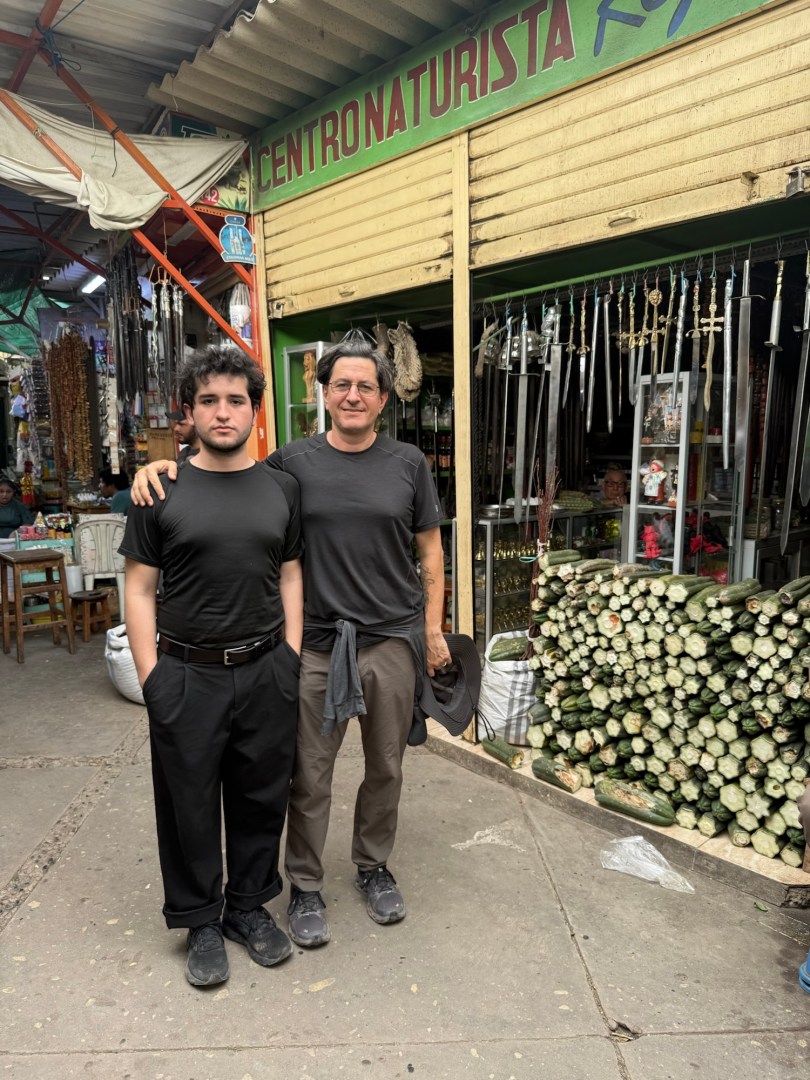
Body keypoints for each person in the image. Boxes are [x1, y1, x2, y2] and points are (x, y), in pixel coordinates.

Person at [131, 339, 451, 950]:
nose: (352, 396)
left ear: (383, 399)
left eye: (365, 386)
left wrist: (432, 630)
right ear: (323, 394)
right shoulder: (290, 464)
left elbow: (430, 553)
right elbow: (225, 473)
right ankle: (304, 884)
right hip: (318, 646)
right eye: (341, 385)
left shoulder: (408, 462)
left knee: (386, 765)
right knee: (307, 774)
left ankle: (373, 865)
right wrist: (159, 466)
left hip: (390, 639)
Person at [121, 345, 303, 988]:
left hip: (266, 669)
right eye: (208, 401)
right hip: (186, 674)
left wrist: (290, 655)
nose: (223, 413)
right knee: (188, 803)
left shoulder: (282, 487)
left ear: (255, 410)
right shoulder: (160, 489)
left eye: (235, 400)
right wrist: (152, 677)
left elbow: (290, 572)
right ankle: (200, 918)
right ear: (189, 412)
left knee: (261, 797)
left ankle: (247, 908)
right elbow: (138, 588)